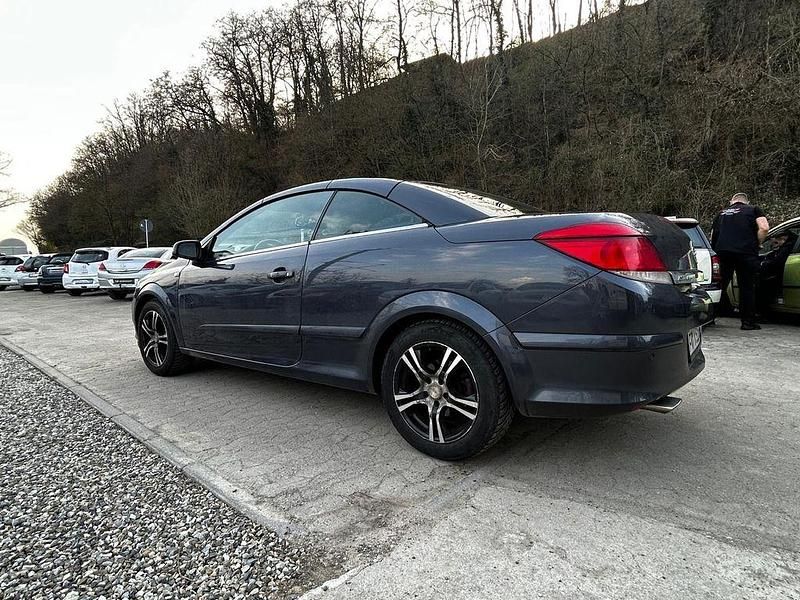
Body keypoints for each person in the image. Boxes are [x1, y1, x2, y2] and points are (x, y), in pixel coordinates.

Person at [711, 192, 770, 330]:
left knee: (719, 285)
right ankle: (747, 322)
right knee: (747, 287)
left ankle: (709, 317)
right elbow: (764, 227)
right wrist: (758, 243)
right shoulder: (753, 209)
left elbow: (713, 235)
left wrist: (716, 250)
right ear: (746, 202)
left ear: (732, 201)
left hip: (723, 252)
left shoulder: (721, 213)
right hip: (746, 253)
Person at [758, 230, 797, 314]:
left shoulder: (787, 247)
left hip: (780, 275)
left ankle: (762, 312)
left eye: (777, 241)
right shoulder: (791, 244)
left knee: (764, 284)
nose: (776, 244)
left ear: (783, 238)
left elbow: (776, 262)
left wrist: (763, 264)